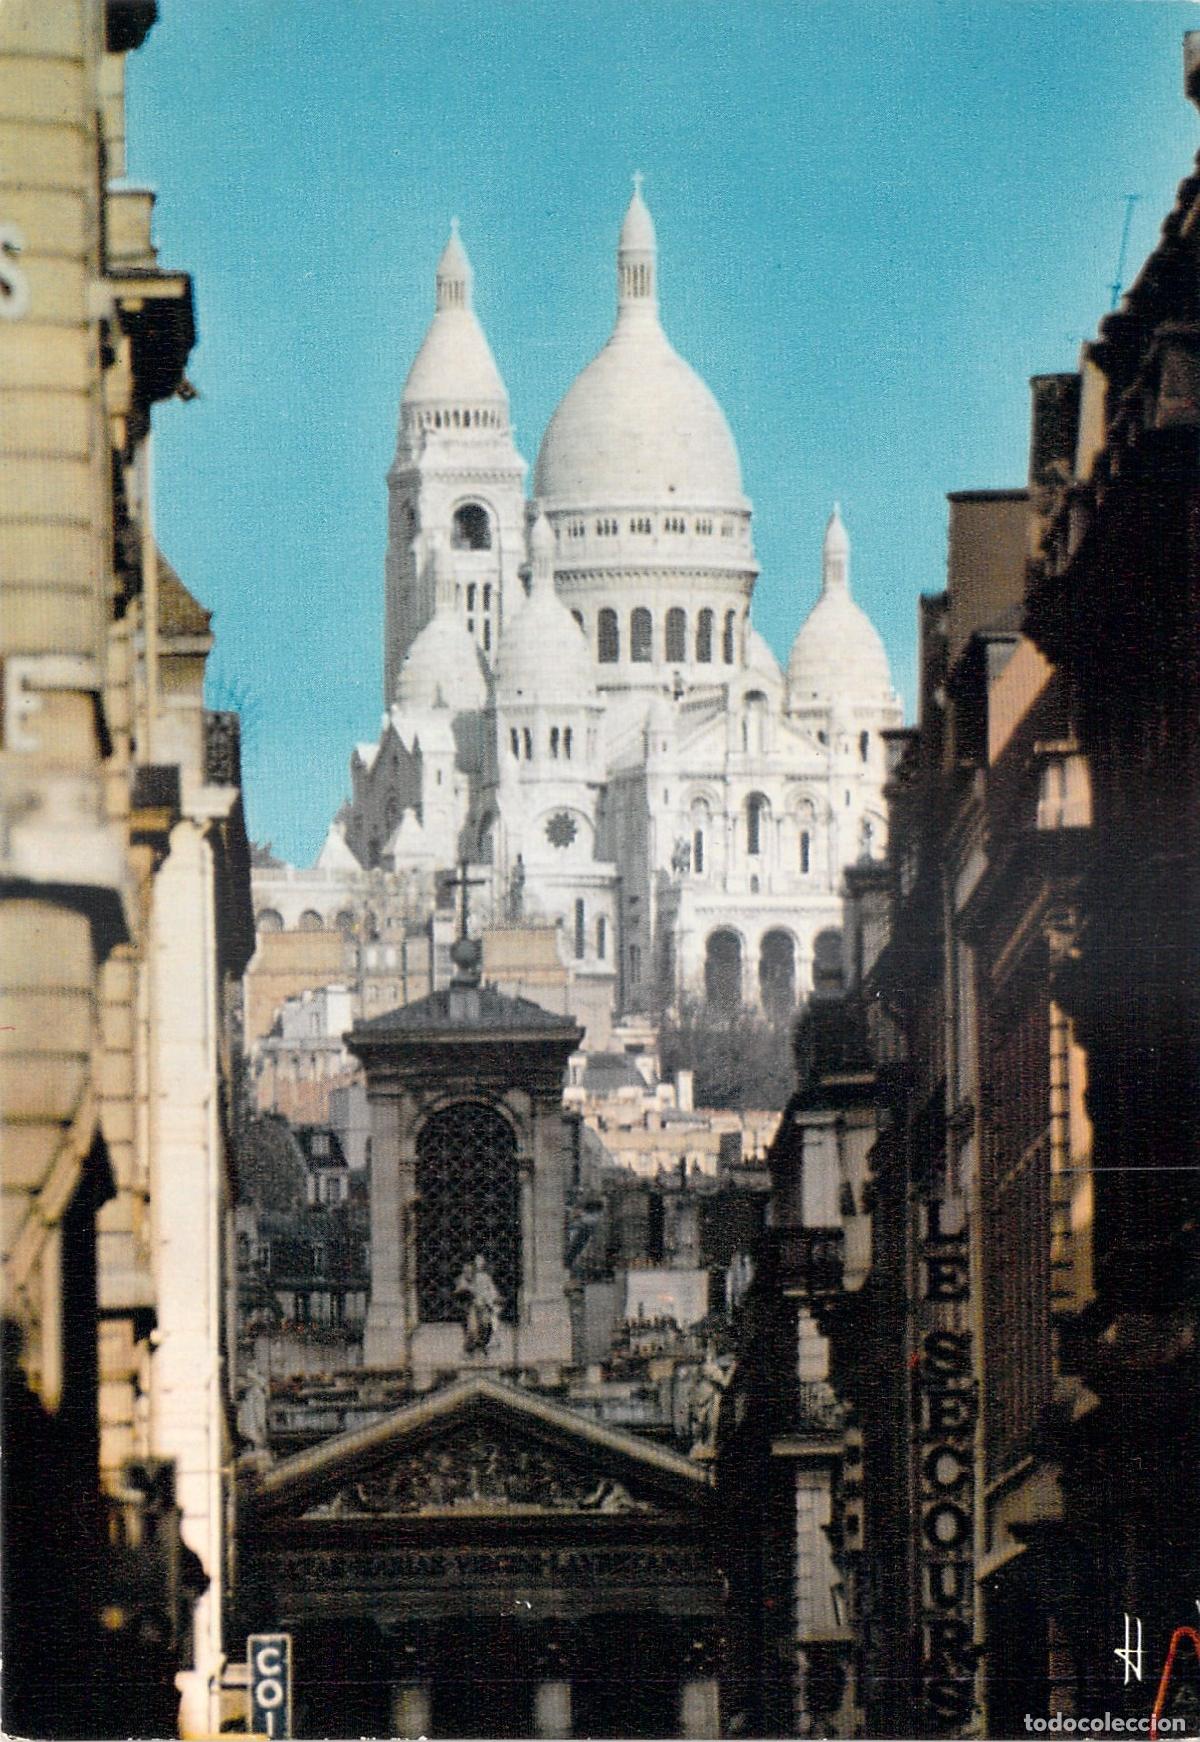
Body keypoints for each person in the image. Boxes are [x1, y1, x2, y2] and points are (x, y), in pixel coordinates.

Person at [455, 1252, 500, 1354]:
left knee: (487, 1322)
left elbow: (492, 1291)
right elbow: (461, 1290)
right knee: (473, 1325)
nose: (479, 1263)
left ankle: (484, 1343)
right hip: (472, 1306)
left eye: (481, 1261)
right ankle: (473, 1345)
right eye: (477, 1261)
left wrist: (491, 1301)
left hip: (484, 1305)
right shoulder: (467, 1276)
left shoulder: (485, 1277)